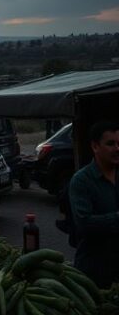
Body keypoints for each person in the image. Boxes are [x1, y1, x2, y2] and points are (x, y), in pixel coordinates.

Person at [69, 120, 119, 289]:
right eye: (111, 144)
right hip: (94, 273)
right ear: (95, 146)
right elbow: (84, 224)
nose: (117, 148)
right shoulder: (81, 181)